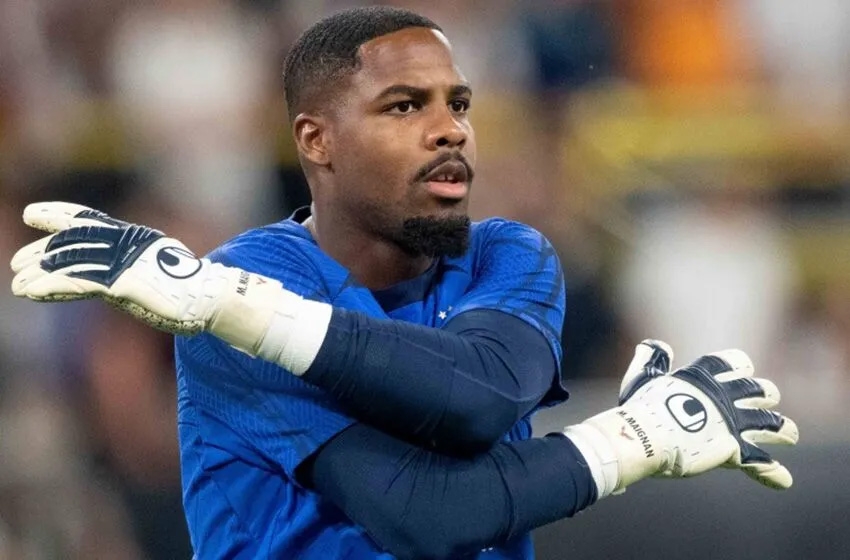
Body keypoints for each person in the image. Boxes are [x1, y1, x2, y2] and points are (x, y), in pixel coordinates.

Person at [9, 6, 798, 560]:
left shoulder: (509, 254)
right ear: (317, 140)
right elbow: (427, 516)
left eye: (459, 103)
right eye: (404, 106)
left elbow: (480, 395)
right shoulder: (241, 284)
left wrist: (238, 311)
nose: (449, 127)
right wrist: (634, 439)